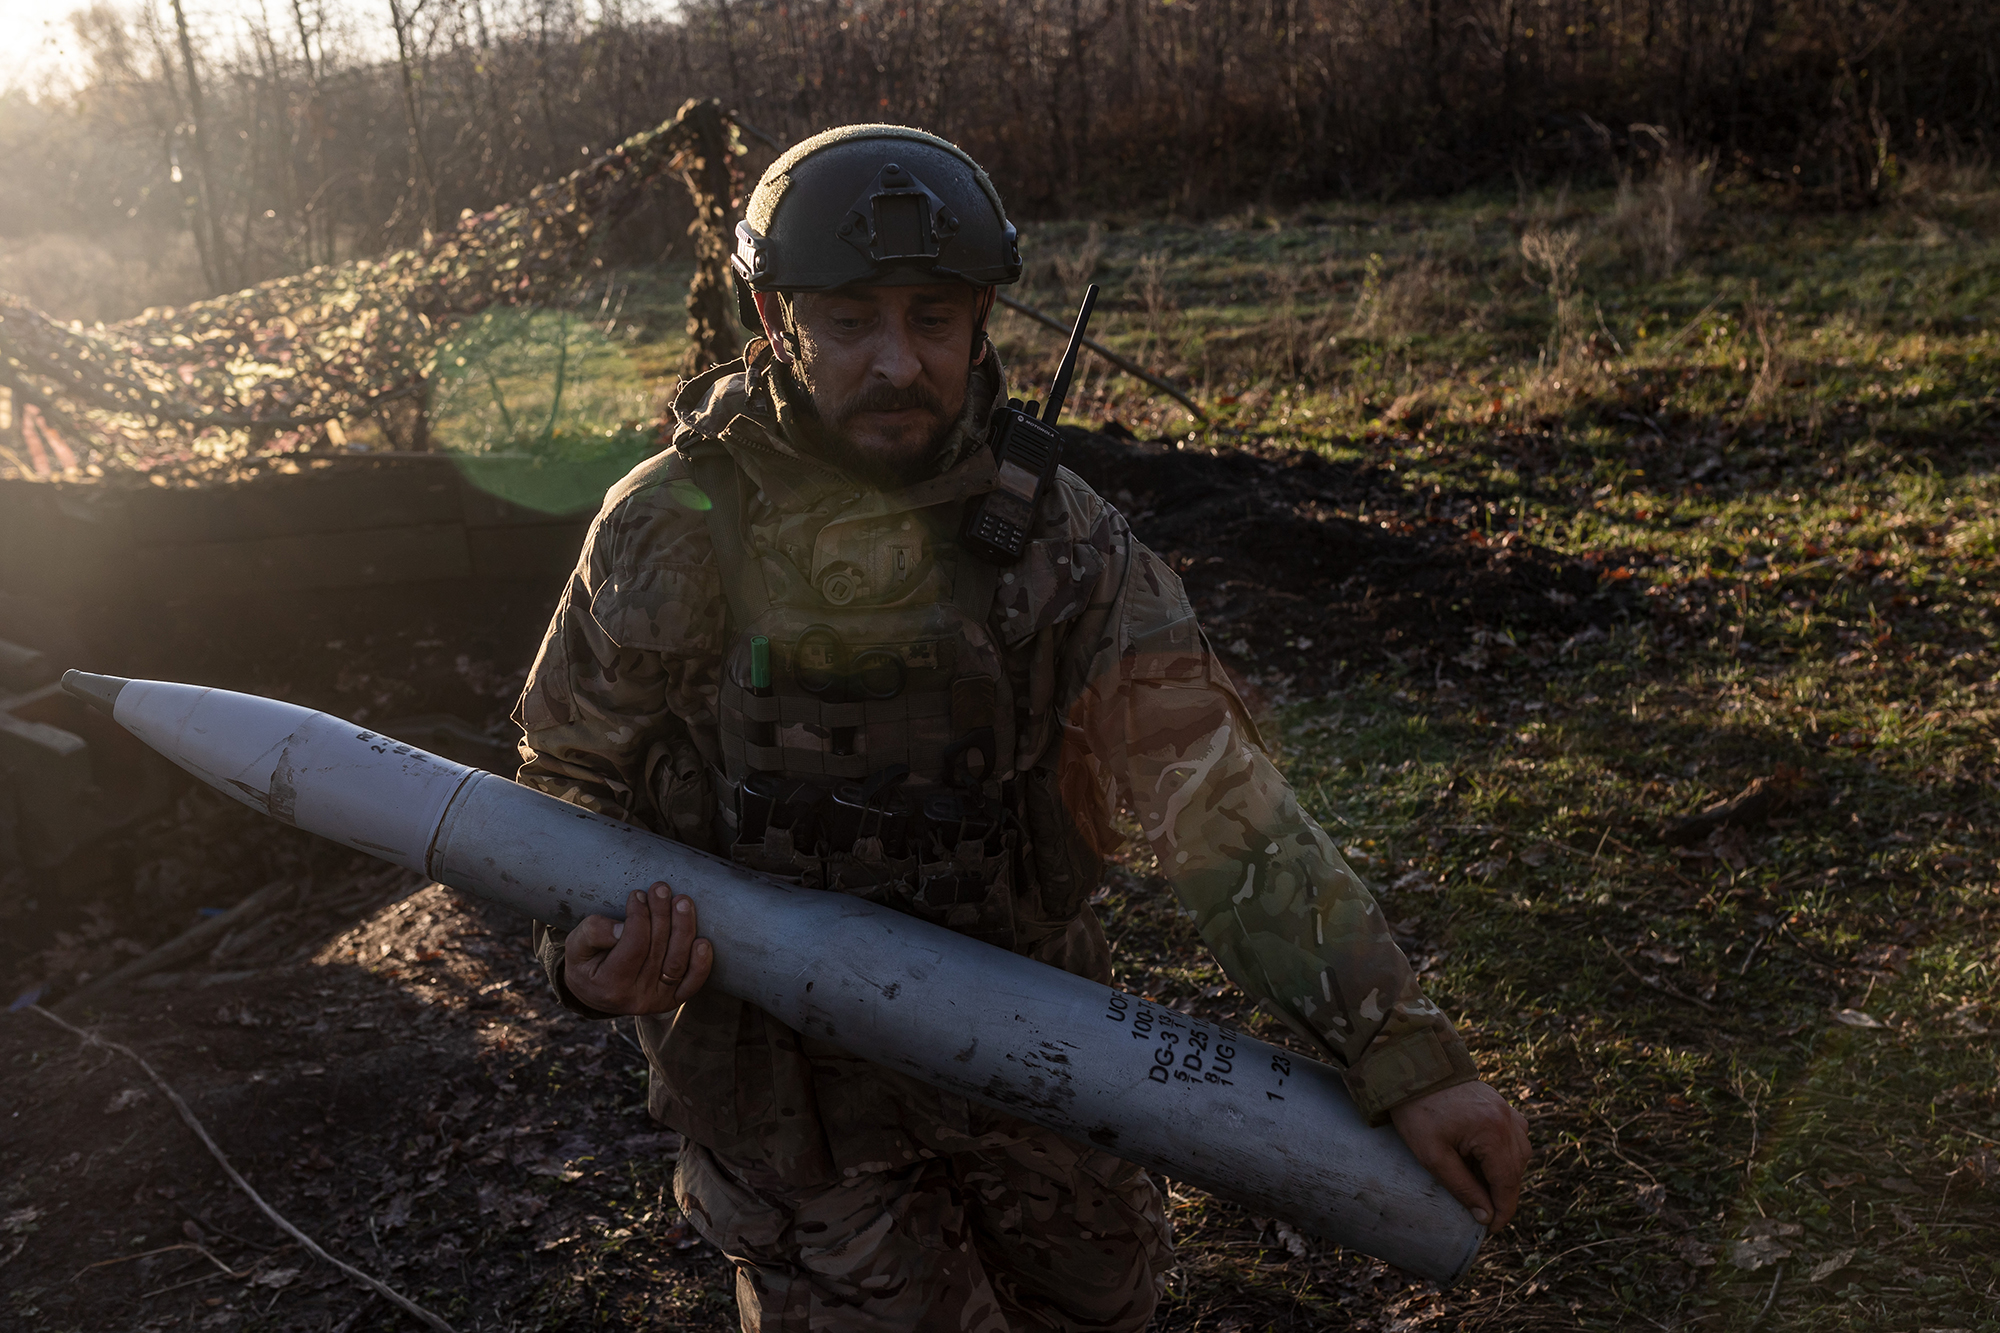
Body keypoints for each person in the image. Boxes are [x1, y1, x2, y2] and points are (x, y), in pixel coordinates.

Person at [515, 124, 1530, 1332]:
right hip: (787, 1103)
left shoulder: (1066, 543)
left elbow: (1222, 811)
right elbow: (562, 779)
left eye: (934, 316)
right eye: (849, 320)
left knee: (1103, 1307)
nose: (897, 362)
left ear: (984, 313)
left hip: (1035, 1057)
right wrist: (582, 956)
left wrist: (1405, 1057)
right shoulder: (667, 526)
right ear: (771, 309)